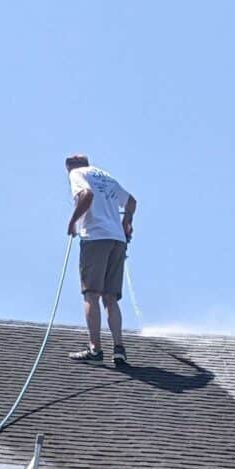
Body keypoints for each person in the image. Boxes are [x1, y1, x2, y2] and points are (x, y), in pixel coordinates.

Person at [64, 154, 136, 364]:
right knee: (111, 298)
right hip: (117, 240)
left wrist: (73, 222)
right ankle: (119, 348)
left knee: (92, 294)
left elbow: (86, 196)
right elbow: (131, 202)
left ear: (70, 167)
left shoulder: (77, 173)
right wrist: (126, 223)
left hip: (96, 237)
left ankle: (95, 349)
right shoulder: (105, 176)